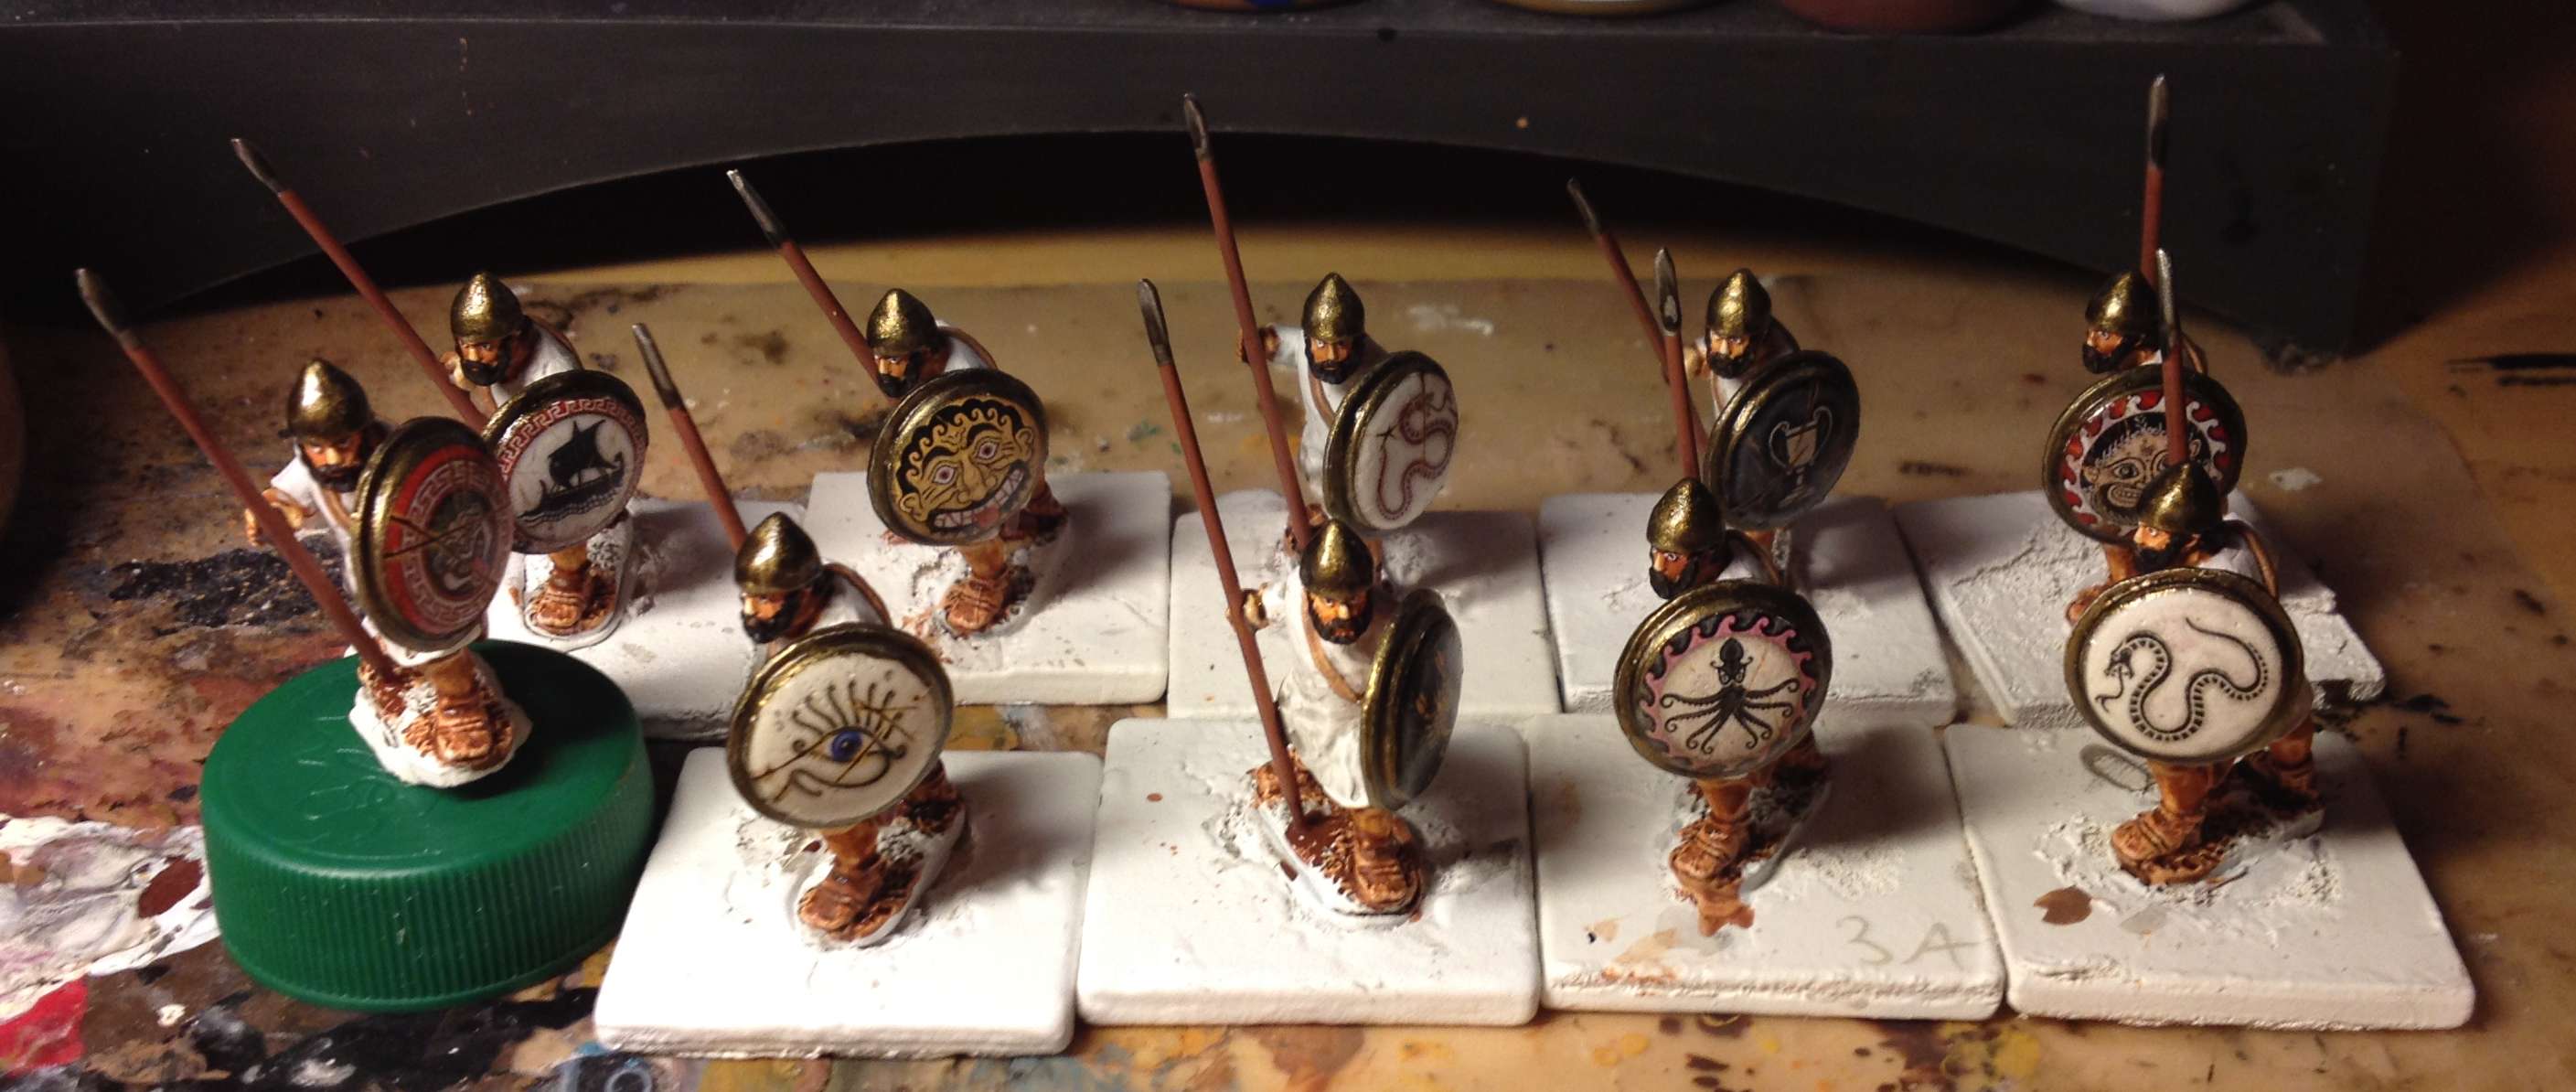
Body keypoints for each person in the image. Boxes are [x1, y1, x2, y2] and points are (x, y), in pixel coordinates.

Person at [732, 512, 959, 943]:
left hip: (858, 727)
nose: (751, 611)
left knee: (833, 803)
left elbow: (871, 690)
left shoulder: (842, 632)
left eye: (765, 599)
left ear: (804, 592)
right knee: (903, 753)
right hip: (852, 721)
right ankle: (931, 795)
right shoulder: (812, 603)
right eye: (748, 597)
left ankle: (860, 872)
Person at [2100, 463, 2317, 883]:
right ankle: (2291, 780)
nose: (2141, 537)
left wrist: (2122, 581)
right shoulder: (2231, 539)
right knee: (2289, 730)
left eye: (2154, 531)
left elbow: (2161, 630)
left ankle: (2177, 822)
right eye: (2143, 527)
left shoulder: (2219, 581)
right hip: (2255, 677)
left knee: (2171, 748)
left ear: (2192, 539)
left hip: (2236, 687)